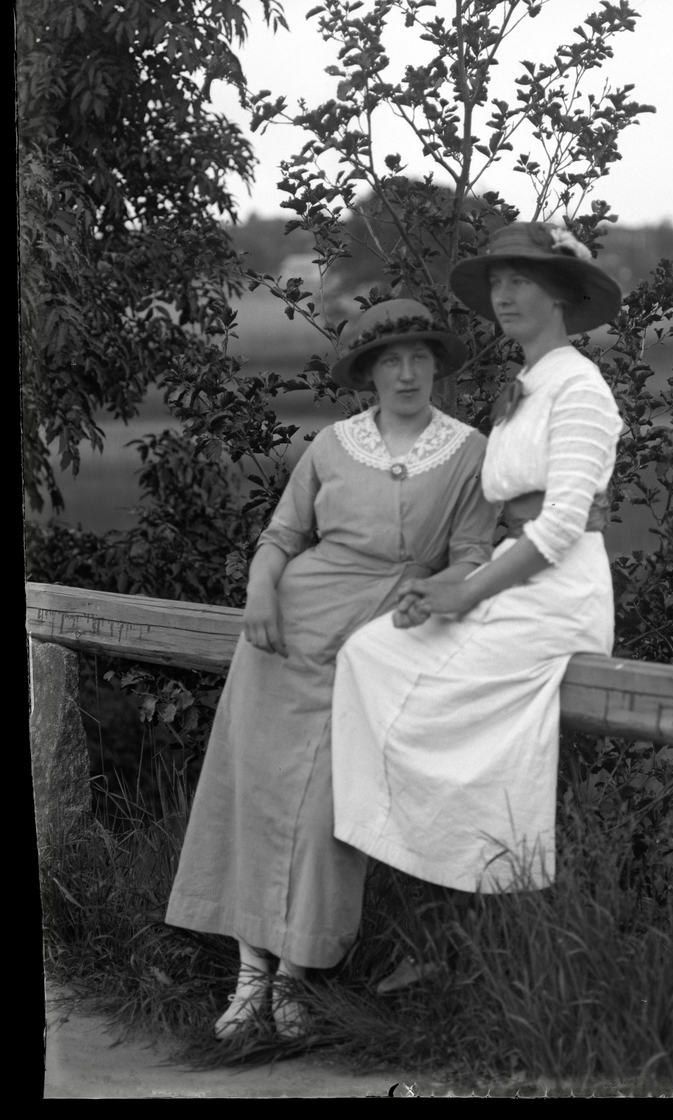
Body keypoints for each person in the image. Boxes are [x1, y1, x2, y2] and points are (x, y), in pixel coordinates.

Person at [164, 299, 499, 1038]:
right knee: (256, 801)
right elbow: (281, 536)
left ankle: (294, 976)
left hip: (378, 648)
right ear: (369, 373)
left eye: (418, 358)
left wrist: (433, 595)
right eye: (390, 361)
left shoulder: (469, 451)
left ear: (436, 367)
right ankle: (250, 979)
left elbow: (473, 556)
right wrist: (260, 594)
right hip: (285, 638)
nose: (406, 373)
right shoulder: (332, 446)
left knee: (326, 817)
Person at [331, 221, 624, 992]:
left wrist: (465, 593)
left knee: (431, 702)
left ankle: (482, 912)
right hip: (509, 576)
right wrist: (442, 591)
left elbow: (559, 526)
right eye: (496, 283)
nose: (504, 295)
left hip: (557, 593)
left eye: (521, 280)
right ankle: (440, 903)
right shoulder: (523, 389)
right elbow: (498, 514)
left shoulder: (580, 389)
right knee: (370, 654)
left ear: (560, 294)